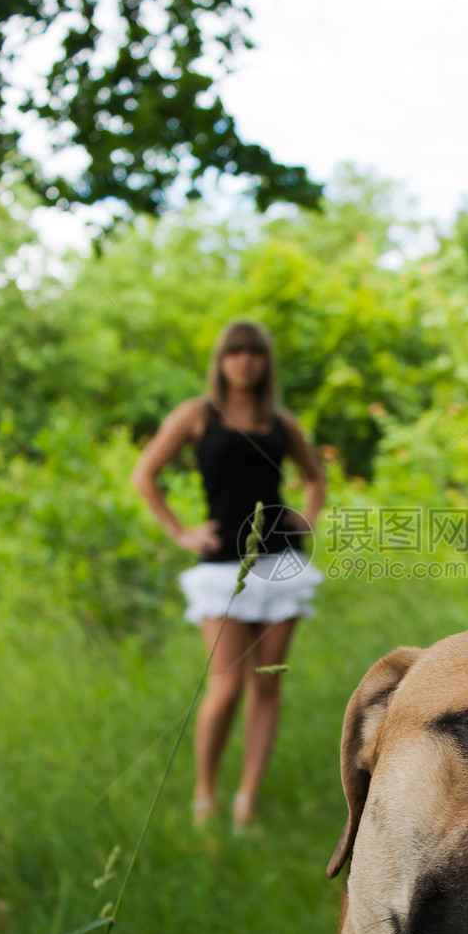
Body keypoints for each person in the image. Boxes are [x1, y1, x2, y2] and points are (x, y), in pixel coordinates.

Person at [132, 320, 326, 828]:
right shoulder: (197, 415)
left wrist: (309, 516)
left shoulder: (282, 423)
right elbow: (144, 474)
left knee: (267, 687)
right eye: (234, 353)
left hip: (283, 562)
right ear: (221, 360)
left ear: (265, 362)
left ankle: (246, 802)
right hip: (222, 567)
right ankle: (205, 797)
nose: (244, 361)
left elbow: (315, 476)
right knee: (226, 685)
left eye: (254, 353)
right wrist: (180, 533)